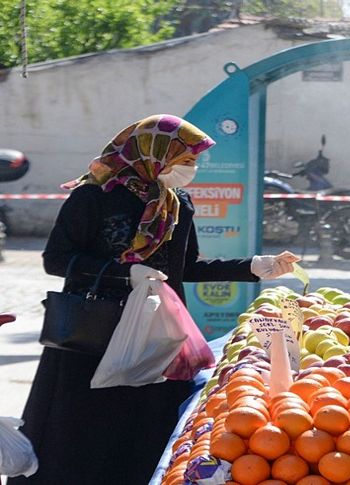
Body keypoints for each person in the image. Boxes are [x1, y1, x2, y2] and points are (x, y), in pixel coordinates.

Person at [10, 114, 299, 485]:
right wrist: (123, 272)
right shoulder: (94, 195)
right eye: (185, 161)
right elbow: (57, 259)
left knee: (145, 427)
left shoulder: (176, 202)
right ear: (154, 154)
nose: (190, 170)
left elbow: (187, 267)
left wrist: (256, 266)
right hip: (94, 332)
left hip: (157, 334)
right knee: (83, 430)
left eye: (193, 163)